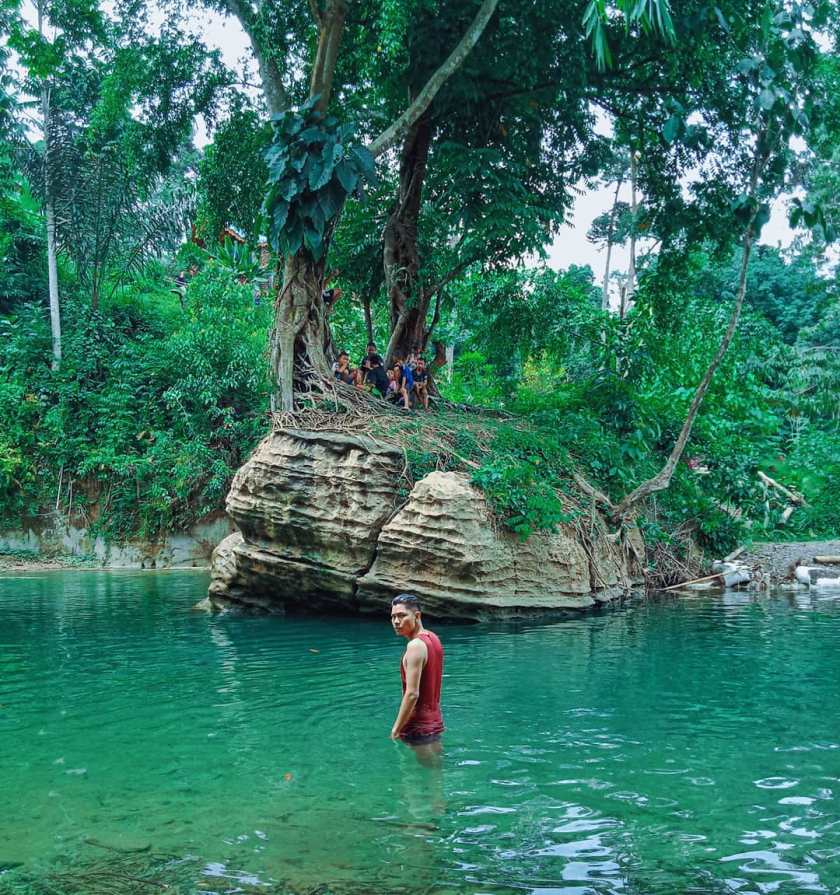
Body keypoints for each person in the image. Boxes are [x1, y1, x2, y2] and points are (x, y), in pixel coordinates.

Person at [390, 594, 444, 755]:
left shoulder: (415, 646)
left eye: (401, 615)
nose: (396, 622)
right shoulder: (433, 638)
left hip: (418, 727)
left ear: (417, 616)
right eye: (393, 617)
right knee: (435, 772)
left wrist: (396, 729)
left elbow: (412, 694)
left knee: (419, 777)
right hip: (434, 721)